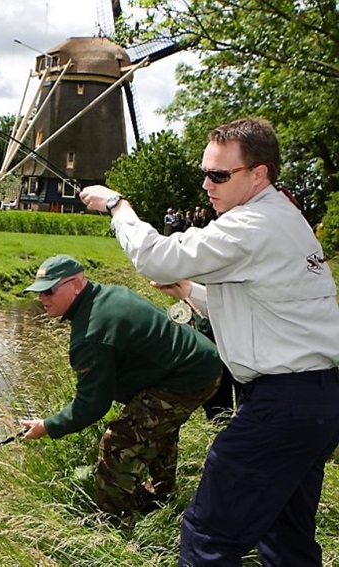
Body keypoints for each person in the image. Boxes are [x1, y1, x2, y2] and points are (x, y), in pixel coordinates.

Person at [79, 117, 339, 566]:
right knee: (286, 534)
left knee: (209, 534)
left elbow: (156, 257)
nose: (206, 184)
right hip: (315, 401)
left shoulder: (249, 225)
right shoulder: (283, 217)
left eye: (219, 175)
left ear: (259, 173)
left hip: (280, 405)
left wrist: (116, 205)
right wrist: (189, 292)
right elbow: (266, 307)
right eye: (205, 173)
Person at [19, 254, 222, 522]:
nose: (43, 298)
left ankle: (115, 523)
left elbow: (92, 405)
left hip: (188, 377)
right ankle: (162, 496)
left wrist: (48, 426)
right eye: (39, 293)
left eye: (50, 290)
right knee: (156, 426)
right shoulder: (104, 294)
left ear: (77, 284)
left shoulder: (91, 334)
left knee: (118, 442)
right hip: (198, 362)